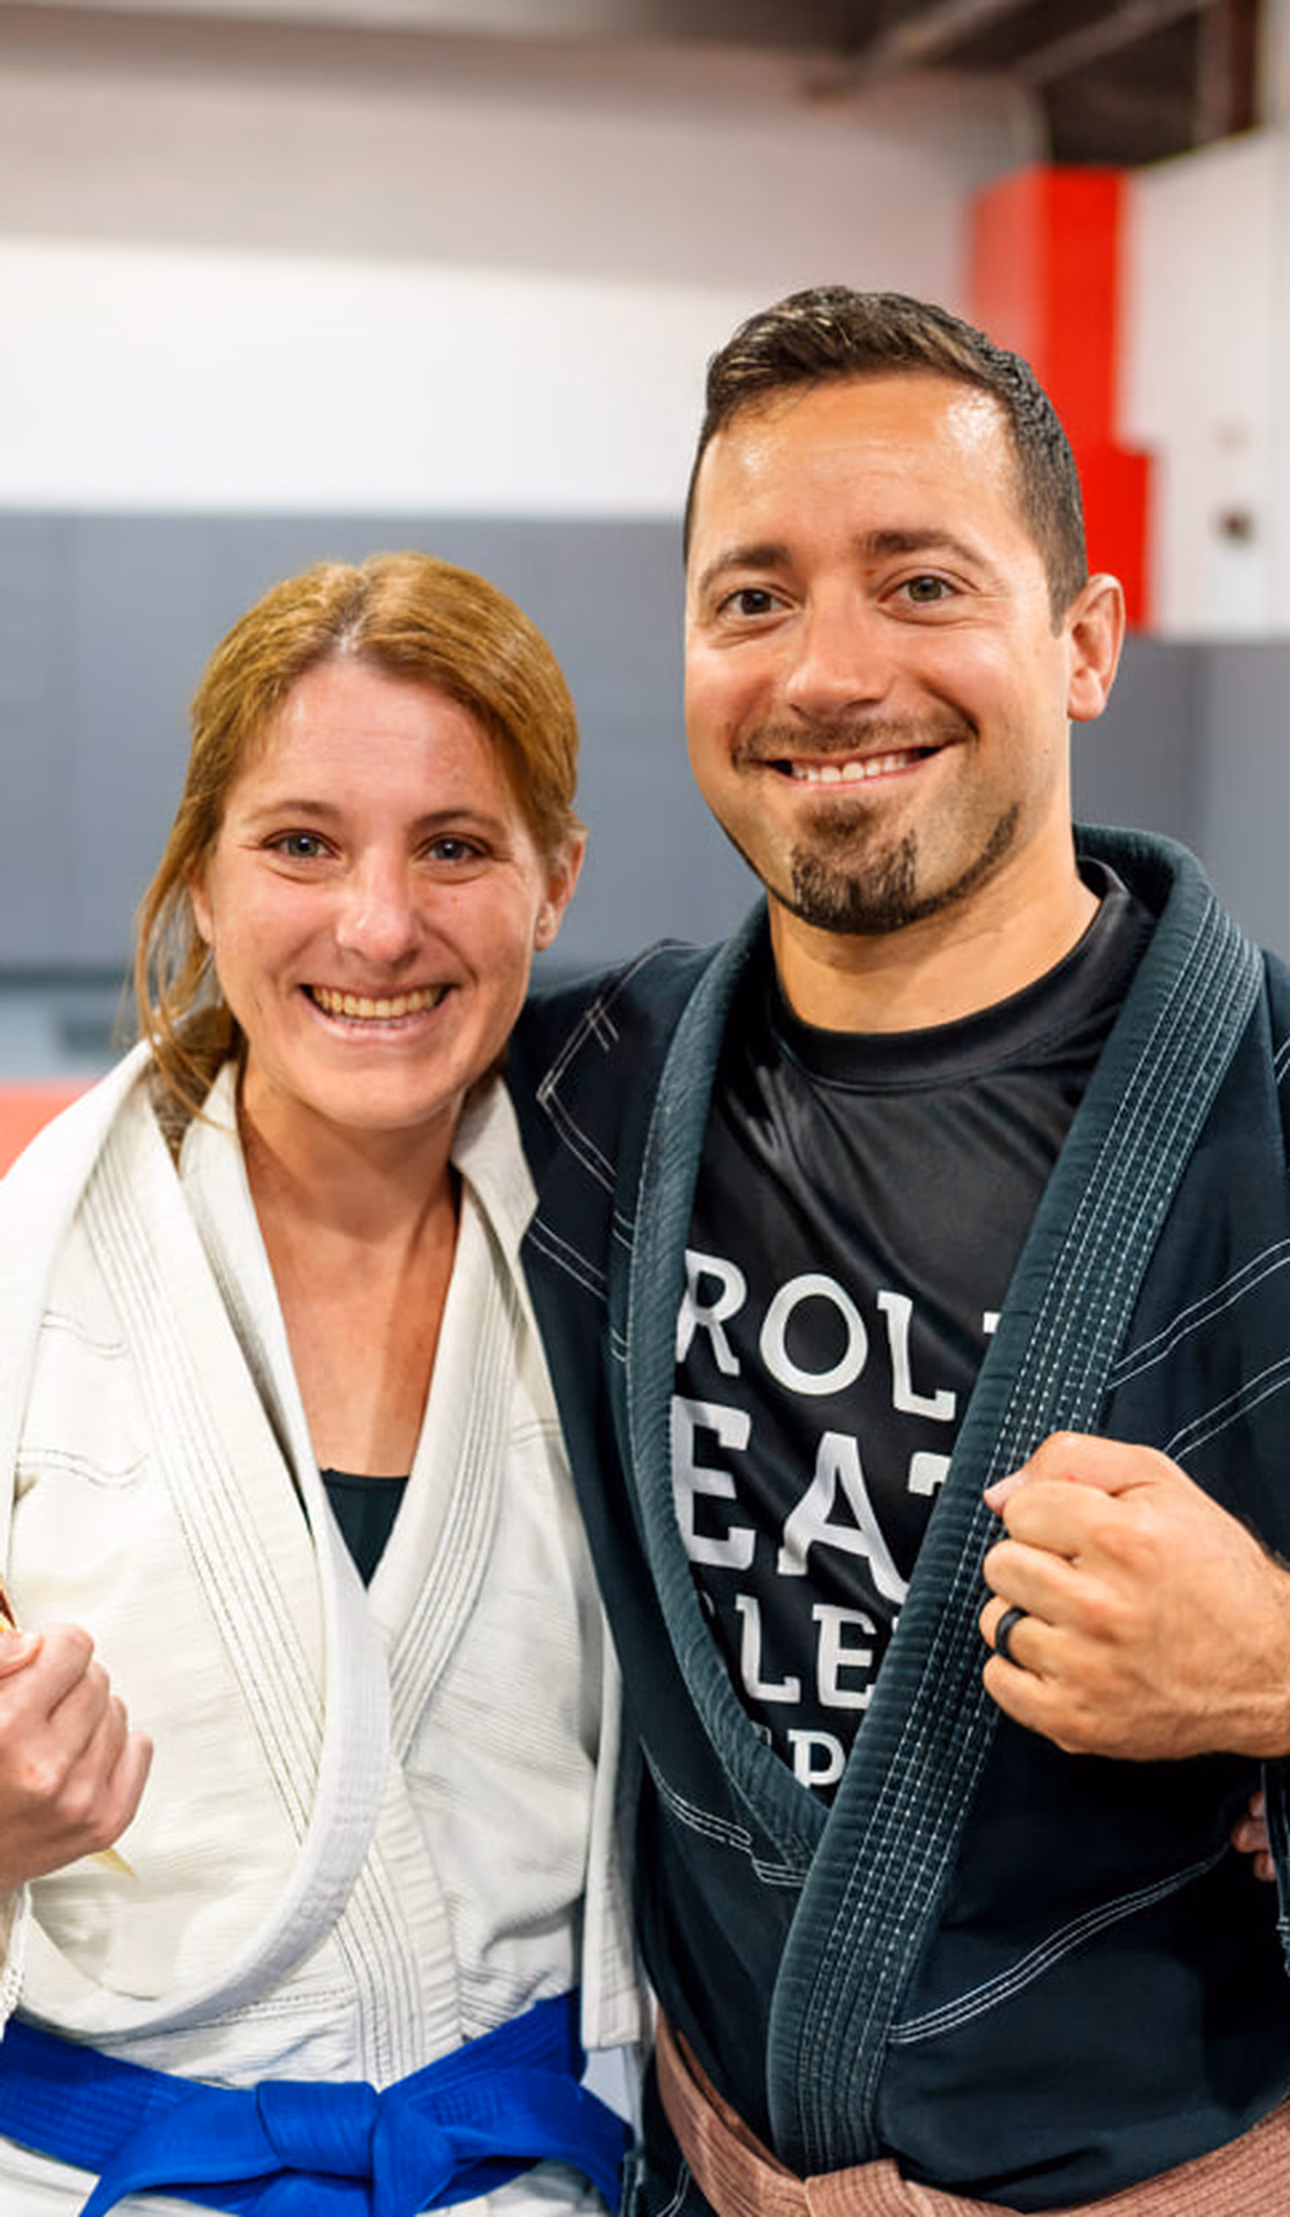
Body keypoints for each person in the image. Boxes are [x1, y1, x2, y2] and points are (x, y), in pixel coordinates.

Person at [507, 289, 1290, 2215]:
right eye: (751, 598)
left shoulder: (1268, 1109)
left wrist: (1275, 1666)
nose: (827, 671)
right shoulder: (583, 1084)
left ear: (1085, 643)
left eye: (920, 583)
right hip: (699, 2163)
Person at [0, 552, 642, 2215]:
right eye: (300, 843)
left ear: (553, 880)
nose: (378, 925)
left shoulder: (635, 1275)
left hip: (519, 2179)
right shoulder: (33, 1279)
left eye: (454, 847)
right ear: (203, 880)